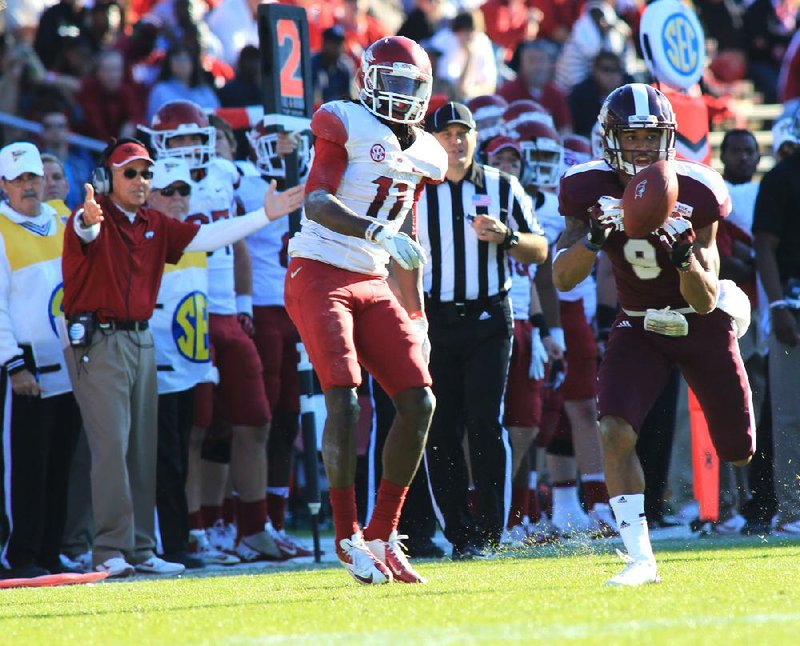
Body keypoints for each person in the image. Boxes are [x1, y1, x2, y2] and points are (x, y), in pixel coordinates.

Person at [553, 83, 755, 586]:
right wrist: (595, 239)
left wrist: (685, 256)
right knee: (613, 428)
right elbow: (561, 276)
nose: (643, 149)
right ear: (610, 138)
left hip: (700, 320)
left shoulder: (698, 190)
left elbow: (704, 297)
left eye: (652, 138)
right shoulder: (586, 186)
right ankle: (640, 557)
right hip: (638, 322)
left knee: (738, 449)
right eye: (634, 137)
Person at [61, 136, 290, 577]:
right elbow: (84, 230)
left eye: (147, 172)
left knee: (143, 447)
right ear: (107, 178)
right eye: (130, 172)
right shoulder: (91, 216)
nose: (141, 180)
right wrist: (87, 222)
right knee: (111, 446)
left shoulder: (154, 223)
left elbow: (207, 237)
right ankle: (110, 548)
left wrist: (265, 215)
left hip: (141, 338)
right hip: (99, 338)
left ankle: (142, 550)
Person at [284, 36, 447, 585]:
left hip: (373, 278)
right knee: (345, 400)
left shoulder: (427, 150)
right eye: (393, 82)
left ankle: (382, 533)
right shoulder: (345, 122)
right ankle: (346, 535)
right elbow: (317, 200)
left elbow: (411, 237)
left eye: (412, 86)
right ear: (369, 80)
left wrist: (417, 314)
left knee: (419, 400)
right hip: (320, 269)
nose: (402, 96)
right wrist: (374, 230)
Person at [142, 102, 305, 563]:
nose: (192, 148)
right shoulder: (149, 181)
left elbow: (240, 237)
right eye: (181, 140)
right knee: (192, 431)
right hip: (179, 315)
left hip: (226, 313)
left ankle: (253, 528)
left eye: (199, 138)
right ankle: (192, 530)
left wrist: (246, 303)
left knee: (257, 419)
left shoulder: (229, 174)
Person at [417, 102, 548, 558]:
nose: (455, 141)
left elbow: (540, 249)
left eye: (463, 132)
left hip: (490, 317)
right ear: (430, 139)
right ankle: (459, 532)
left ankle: (491, 531)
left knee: (486, 423)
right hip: (433, 318)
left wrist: (508, 237)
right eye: (446, 133)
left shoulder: (502, 186)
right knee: (442, 427)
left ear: (476, 137)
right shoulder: (415, 189)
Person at [0, 142, 82, 579]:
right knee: (25, 464)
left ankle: (51, 551)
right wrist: (13, 364)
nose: (28, 186)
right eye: (18, 180)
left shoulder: (63, 221)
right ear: (4, 186)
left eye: (33, 177)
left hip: (68, 355)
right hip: (27, 360)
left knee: (60, 460)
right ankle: (20, 553)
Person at [753, 110, 800, 535]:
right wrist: (779, 304)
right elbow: (764, 245)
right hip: (794, 305)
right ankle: (791, 510)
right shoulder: (782, 177)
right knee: (789, 414)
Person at [498, 40, 571, 132]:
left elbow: (565, 129)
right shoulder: (507, 93)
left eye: (541, 60)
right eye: (532, 60)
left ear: (550, 64)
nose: (537, 67)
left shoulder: (556, 94)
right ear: (521, 64)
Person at [147, 45, 220, 123]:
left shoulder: (204, 90)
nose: (181, 64)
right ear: (169, 64)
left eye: (185, 60)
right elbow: (152, 121)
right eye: (177, 60)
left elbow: (217, 116)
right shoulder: (160, 91)